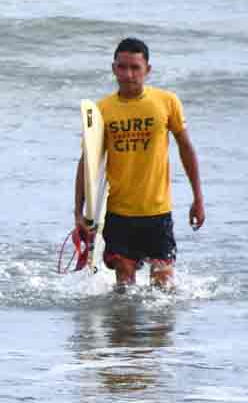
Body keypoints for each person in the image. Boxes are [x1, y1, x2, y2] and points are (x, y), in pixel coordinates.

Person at [74, 37, 205, 289]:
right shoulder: (102, 110)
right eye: (122, 67)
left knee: (163, 287)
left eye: (135, 68)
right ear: (114, 69)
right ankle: (123, 328)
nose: (128, 74)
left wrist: (198, 198)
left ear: (148, 70)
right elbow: (87, 163)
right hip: (119, 214)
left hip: (158, 212)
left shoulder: (167, 102)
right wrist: (79, 212)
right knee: (124, 286)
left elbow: (186, 148)